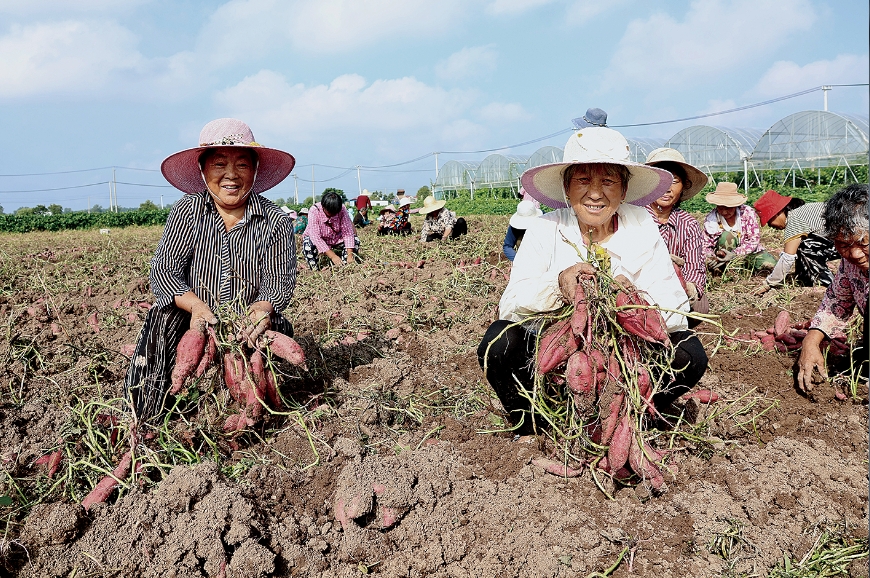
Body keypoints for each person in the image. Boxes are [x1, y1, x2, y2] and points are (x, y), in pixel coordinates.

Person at [477, 127, 708, 434]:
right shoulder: (544, 228)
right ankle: (534, 423)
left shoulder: (642, 227)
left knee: (688, 351)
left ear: (624, 190)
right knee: (499, 341)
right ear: (566, 188)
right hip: (553, 357)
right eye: (583, 180)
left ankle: (626, 419)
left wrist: (633, 302)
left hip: (627, 360)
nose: (596, 193)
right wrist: (559, 285)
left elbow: (675, 310)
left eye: (609, 181)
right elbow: (511, 305)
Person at [126, 118, 297, 423]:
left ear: (255, 171)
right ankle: (146, 414)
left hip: (246, 326)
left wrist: (262, 307)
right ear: (203, 171)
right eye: (220, 164)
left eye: (242, 165)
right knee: (161, 317)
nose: (231, 175)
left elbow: (280, 282)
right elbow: (164, 269)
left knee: (279, 327)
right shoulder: (188, 211)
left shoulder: (276, 220)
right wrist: (195, 306)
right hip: (196, 323)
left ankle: (256, 410)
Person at [797, 184, 868, 394]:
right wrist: (811, 340)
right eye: (843, 245)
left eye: (862, 242)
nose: (854, 254)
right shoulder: (850, 265)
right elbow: (836, 303)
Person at [644, 148, 709, 319]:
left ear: (683, 186)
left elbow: (695, 268)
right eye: (660, 180)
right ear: (649, 183)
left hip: (677, 291)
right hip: (639, 289)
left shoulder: (689, 224)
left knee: (701, 306)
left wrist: (688, 287)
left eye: (674, 181)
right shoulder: (634, 217)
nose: (667, 188)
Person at [752, 189, 839, 294]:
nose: (770, 226)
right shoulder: (802, 211)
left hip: (850, 241)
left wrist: (769, 283)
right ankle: (806, 280)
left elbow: (787, 258)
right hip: (845, 239)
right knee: (802, 245)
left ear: (778, 213)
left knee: (805, 246)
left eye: (769, 221)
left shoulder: (794, 218)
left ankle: (828, 286)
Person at [702, 182, 776, 273]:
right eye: (720, 208)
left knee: (771, 264)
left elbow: (753, 240)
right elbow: (705, 245)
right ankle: (725, 268)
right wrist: (710, 257)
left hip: (747, 254)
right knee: (727, 236)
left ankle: (741, 267)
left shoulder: (747, 213)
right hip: (721, 257)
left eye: (728, 208)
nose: (724, 212)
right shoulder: (711, 219)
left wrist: (735, 254)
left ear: (735, 204)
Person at [302, 191, 360, 270]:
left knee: (355, 240)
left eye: (335, 213)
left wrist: (350, 255)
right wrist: (333, 256)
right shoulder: (314, 211)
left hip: (336, 239)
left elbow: (348, 233)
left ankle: (345, 267)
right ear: (323, 207)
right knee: (308, 243)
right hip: (320, 239)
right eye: (330, 213)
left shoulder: (342, 209)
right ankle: (315, 270)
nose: (333, 215)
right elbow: (316, 237)